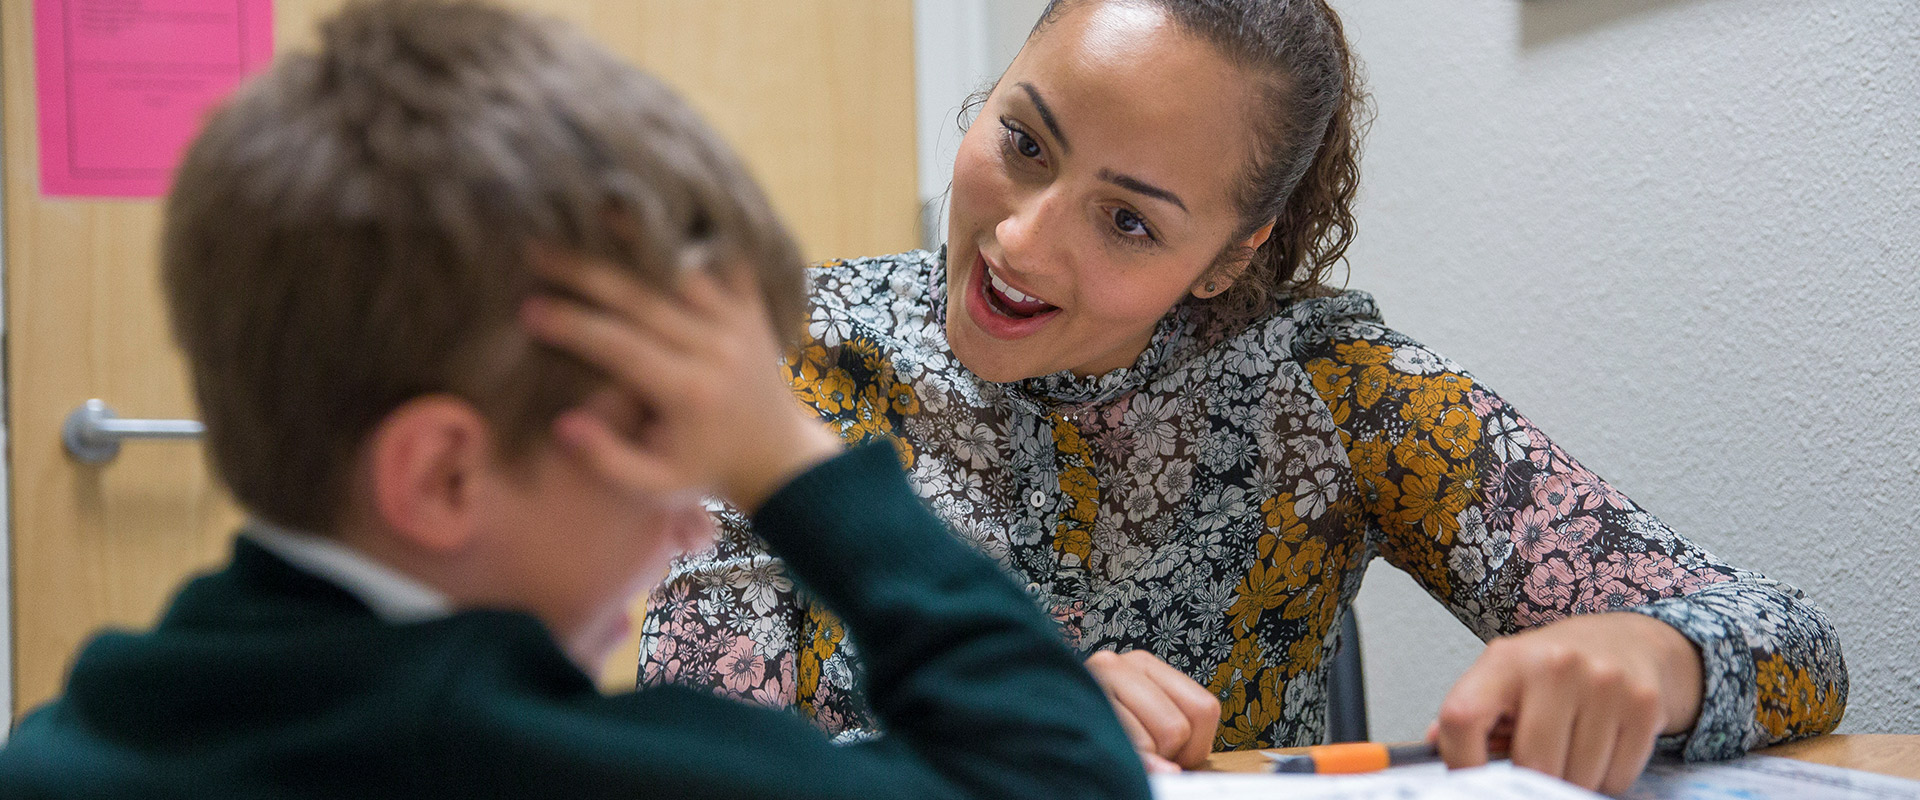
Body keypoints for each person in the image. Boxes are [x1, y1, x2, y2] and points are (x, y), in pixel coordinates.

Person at [639, 0, 1849, 793]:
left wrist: (1650, 649)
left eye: (1127, 218)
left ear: (1231, 252)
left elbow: (1794, 642)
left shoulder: (1337, 396)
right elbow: (695, 762)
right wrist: (1008, 726)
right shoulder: (792, 358)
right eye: (1024, 139)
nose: (1022, 239)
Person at [0, 3, 1150, 798]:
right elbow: (1059, 768)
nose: (696, 516)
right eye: (665, 437)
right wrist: (795, 463)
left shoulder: (73, 737)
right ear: (442, 473)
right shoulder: (565, 767)